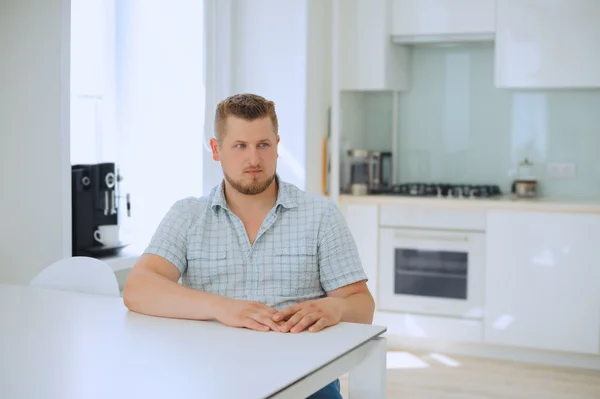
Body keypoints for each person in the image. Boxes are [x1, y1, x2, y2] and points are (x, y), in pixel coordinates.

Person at [123, 93, 375, 399]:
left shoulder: (321, 215)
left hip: (307, 382)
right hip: (211, 377)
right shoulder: (188, 215)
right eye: (240, 145)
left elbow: (362, 306)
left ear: (277, 146)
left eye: (263, 145)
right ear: (217, 150)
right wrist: (222, 307)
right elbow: (138, 289)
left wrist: (337, 306)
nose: (253, 159)